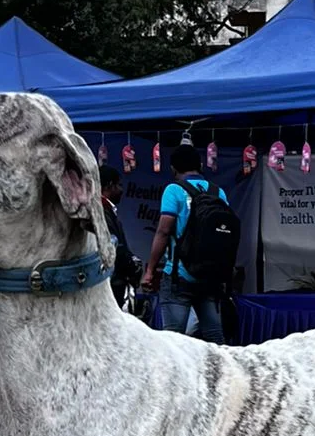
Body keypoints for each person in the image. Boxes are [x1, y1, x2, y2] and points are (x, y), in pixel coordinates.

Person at [141, 144, 232, 342]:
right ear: (200, 165)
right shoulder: (219, 193)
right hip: (209, 276)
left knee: (173, 339)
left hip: (178, 274)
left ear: (173, 168)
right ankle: (222, 372)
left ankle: (173, 374)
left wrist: (150, 271)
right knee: (215, 336)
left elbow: (164, 231)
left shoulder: (174, 190)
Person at [99, 164, 140, 309]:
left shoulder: (104, 210)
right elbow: (114, 246)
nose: (122, 190)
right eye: (119, 185)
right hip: (111, 282)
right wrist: (130, 266)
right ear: (110, 185)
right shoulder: (101, 211)